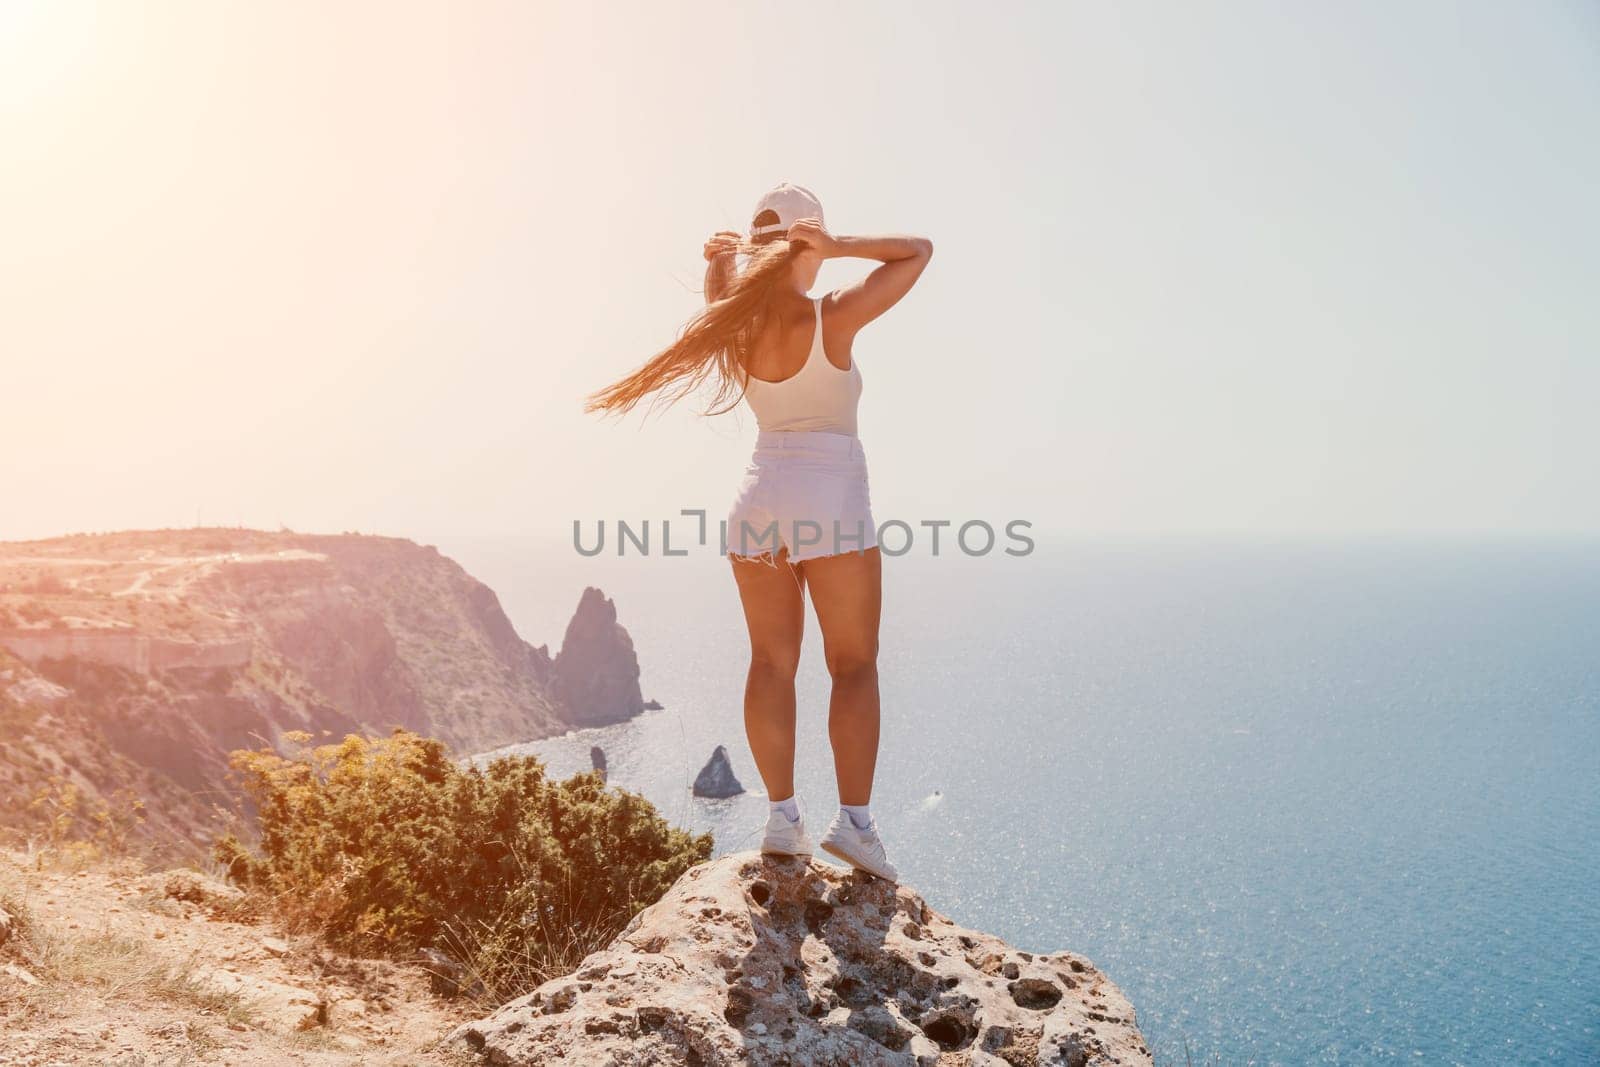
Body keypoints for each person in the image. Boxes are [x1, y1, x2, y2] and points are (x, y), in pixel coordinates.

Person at [585, 181, 933, 881]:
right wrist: (840, 248)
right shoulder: (831, 314)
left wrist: (723, 269)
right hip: (831, 498)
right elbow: (916, 254)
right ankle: (856, 828)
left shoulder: (733, 324)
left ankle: (782, 818)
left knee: (771, 664)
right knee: (853, 665)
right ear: (809, 243)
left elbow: (721, 300)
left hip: (758, 502)